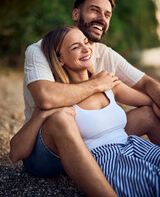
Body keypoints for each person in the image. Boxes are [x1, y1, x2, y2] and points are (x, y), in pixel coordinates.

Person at [10, 25, 160, 197]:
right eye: (75, 47)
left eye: (85, 42)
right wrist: (42, 113)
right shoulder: (60, 99)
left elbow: (151, 103)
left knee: (150, 112)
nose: (85, 48)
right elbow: (15, 154)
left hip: (134, 146)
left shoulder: (107, 82)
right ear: (60, 60)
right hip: (109, 161)